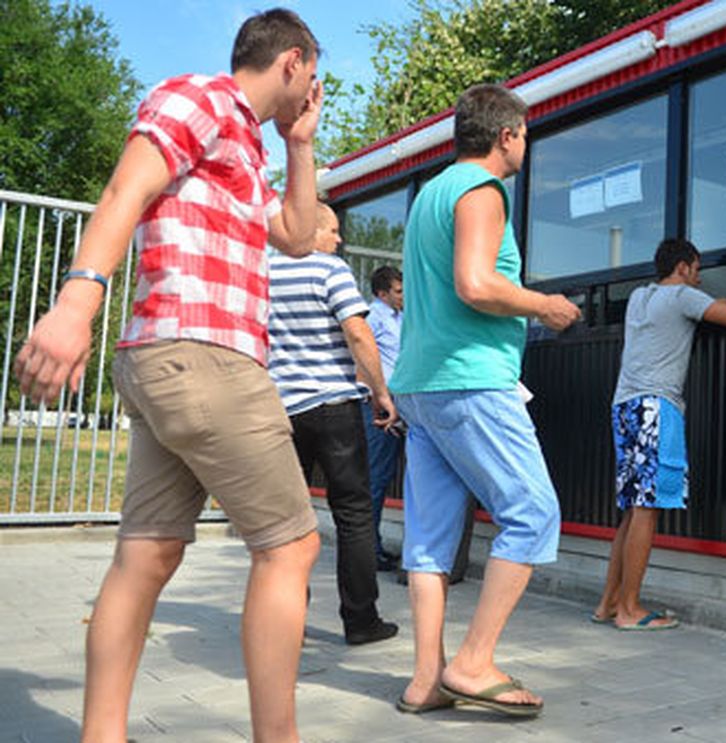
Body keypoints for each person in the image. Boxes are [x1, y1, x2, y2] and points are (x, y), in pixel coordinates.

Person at [14, 9, 324, 743]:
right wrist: (76, 302)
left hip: (168, 360)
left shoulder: (247, 143)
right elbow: (125, 189)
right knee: (290, 546)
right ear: (291, 61)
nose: (313, 91)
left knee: (149, 551)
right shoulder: (202, 97)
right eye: (312, 76)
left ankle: (102, 734)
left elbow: (298, 235)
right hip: (207, 353)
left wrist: (300, 144)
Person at [390, 83, 580, 718]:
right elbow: (475, 283)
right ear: (506, 135)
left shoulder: (429, 196)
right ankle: (472, 663)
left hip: (419, 384)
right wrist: (543, 305)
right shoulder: (482, 189)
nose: (526, 146)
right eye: (525, 135)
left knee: (429, 540)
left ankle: (426, 680)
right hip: (469, 380)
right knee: (533, 513)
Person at [592, 239, 726, 631]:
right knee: (647, 509)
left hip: (625, 407)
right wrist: (718, 300)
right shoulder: (683, 296)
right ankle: (630, 611)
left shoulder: (639, 297)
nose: (699, 278)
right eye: (696, 270)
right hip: (655, 408)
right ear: (682, 268)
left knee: (633, 508)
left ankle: (608, 604)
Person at [267, 203, 400, 646]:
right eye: (333, 230)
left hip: (281, 410)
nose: (339, 240)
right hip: (334, 406)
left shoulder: (263, 272)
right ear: (310, 229)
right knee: (354, 514)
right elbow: (358, 333)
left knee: (287, 519)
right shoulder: (330, 270)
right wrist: (381, 392)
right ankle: (361, 621)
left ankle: (287, 621)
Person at [362, 264, 404, 571]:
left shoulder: (400, 318)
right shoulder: (372, 318)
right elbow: (360, 356)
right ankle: (368, 552)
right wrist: (375, 395)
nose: (403, 296)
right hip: (380, 404)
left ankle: (373, 546)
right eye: (398, 291)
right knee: (376, 477)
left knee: (386, 474)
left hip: (401, 403)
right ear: (382, 293)